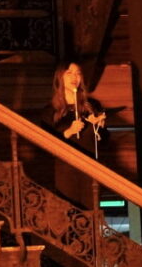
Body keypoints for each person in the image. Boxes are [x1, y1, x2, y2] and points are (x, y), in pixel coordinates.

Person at [39, 62, 107, 208]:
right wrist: (68, 132)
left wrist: (99, 127)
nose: (74, 77)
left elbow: (104, 140)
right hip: (66, 170)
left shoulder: (92, 106)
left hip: (90, 169)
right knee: (69, 211)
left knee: (91, 212)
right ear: (60, 77)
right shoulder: (50, 111)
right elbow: (44, 145)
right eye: (69, 73)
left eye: (78, 73)